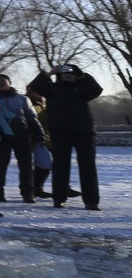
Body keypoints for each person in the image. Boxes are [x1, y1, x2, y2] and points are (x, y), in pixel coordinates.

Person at [27, 64, 103, 210]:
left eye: (72, 73)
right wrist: (49, 73)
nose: (68, 74)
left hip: (84, 132)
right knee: (60, 166)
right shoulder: (52, 89)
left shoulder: (82, 89)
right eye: (64, 72)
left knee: (88, 167)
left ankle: (91, 201)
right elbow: (35, 86)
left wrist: (83, 76)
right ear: (59, 75)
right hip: (60, 132)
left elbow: (96, 90)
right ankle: (59, 198)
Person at [0, 74, 45, 203]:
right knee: (0, 166)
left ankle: (27, 193)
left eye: (3, 81)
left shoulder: (22, 99)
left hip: (22, 134)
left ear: (10, 82)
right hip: (1, 136)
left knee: (25, 166)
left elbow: (32, 117)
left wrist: (39, 132)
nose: (0, 83)